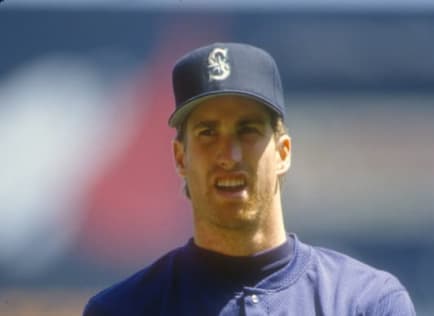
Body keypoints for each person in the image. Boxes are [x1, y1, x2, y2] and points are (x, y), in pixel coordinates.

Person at [83, 42, 416, 316]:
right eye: (208, 133)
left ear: (283, 152)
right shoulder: (122, 309)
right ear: (180, 158)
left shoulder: (365, 302)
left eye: (248, 131)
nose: (229, 155)